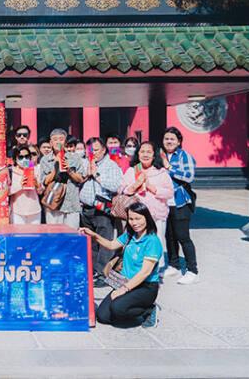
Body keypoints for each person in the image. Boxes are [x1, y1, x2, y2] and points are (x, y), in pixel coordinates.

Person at [80, 201, 162, 328]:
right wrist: (93, 235)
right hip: (126, 282)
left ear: (147, 218)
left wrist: (123, 290)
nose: (134, 223)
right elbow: (111, 245)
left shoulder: (152, 241)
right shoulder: (130, 235)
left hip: (145, 286)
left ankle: (148, 310)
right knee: (102, 316)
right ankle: (127, 305)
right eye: (131, 219)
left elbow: (145, 272)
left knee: (118, 308)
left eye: (138, 218)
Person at [120, 141, 174, 272]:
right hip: (136, 216)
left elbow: (169, 192)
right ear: (138, 154)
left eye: (149, 152)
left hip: (156, 216)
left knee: (155, 242)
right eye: (142, 151)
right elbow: (123, 190)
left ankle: (154, 271)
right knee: (136, 243)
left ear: (154, 155)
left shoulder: (161, 172)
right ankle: (136, 271)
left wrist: (151, 187)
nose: (145, 155)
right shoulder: (132, 171)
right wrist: (136, 184)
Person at [80, 137, 123, 286]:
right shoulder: (85, 162)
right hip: (86, 208)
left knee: (104, 241)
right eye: (90, 150)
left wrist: (97, 175)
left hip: (102, 209)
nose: (93, 153)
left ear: (104, 150)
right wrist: (87, 173)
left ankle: (103, 273)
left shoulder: (111, 165)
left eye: (96, 150)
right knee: (91, 242)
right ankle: (93, 270)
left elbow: (115, 185)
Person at [162, 127, 199, 284]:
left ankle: (192, 271)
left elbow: (189, 177)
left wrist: (169, 167)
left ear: (179, 141)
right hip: (165, 202)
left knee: (183, 236)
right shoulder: (161, 156)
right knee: (169, 236)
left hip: (180, 202)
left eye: (172, 139)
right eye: (166, 139)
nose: (169, 141)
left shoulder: (185, 156)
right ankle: (174, 265)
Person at [38, 129, 87, 229]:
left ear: (65, 142)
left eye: (61, 139)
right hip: (53, 204)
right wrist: (55, 166)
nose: (58, 142)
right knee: (54, 234)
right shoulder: (45, 159)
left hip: (72, 203)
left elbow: (81, 179)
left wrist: (69, 170)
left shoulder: (75, 157)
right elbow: (45, 181)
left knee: (72, 234)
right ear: (51, 143)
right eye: (55, 139)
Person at [9, 145, 42, 224]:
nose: (24, 159)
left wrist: (37, 184)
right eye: (20, 157)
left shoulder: (35, 170)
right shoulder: (11, 171)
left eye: (27, 156)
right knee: (19, 232)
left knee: (35, 232)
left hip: (34, 210)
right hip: (17, 211)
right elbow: (7, 192)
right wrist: (20, 185)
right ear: (15, 159)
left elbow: (40, 191)